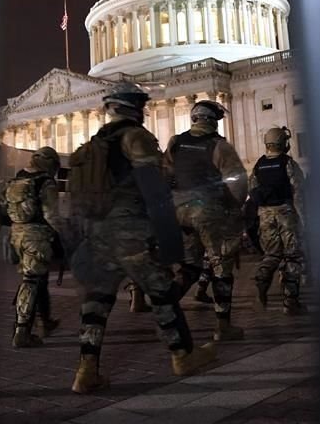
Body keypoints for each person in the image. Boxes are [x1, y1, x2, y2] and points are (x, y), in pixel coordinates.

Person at [68, 83, 215, 394]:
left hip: (99, 230)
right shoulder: (136, 137)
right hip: (130, 230)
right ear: (134, 107)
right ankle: (183, 355)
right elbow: (154, 189)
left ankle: (86, 370)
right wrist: (170, 238)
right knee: (162, 292)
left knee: (97, 298)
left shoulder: (97, 141)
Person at [164, 100, 249, 340]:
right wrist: (234, 207)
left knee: (190, 265)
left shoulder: (176, 142)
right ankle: (223, 326)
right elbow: (238, 183)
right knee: (221, 265)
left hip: (179, 210)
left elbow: (165, 173)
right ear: (213, 121)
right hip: (209, 211)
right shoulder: (219, 145)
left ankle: (166, 309)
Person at [0, 146, 63, 347]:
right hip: (37, 237)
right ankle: (22, 332)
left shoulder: (16, 180)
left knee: (39, 279)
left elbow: (2, 210)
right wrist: (65, 234)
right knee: (32, 280)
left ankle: (45, 322)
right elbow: (51, 216)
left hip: (16, 235)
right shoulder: (45, 182)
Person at [248, 126, 307, 315]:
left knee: (271, 255)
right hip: (286, 212)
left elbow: (252, 190)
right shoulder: (288, 163)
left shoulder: (258, 165)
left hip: (265, 215)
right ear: (284, 143)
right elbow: (298, 191)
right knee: (292, 256)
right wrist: (303, 218)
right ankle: (291, 302)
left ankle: (261, 285)